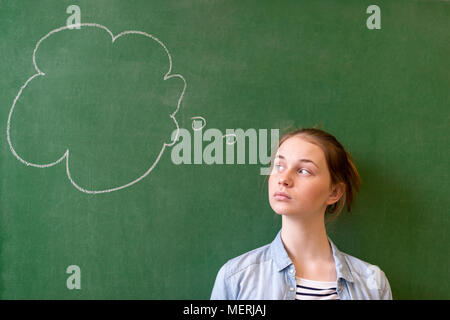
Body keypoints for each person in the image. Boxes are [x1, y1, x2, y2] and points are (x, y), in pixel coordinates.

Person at [210, 127, 392, 300]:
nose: (284, 179)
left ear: (334, 192)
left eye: (303, 171)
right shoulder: (236, 277)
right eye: (279, 166)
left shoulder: (373, 284)